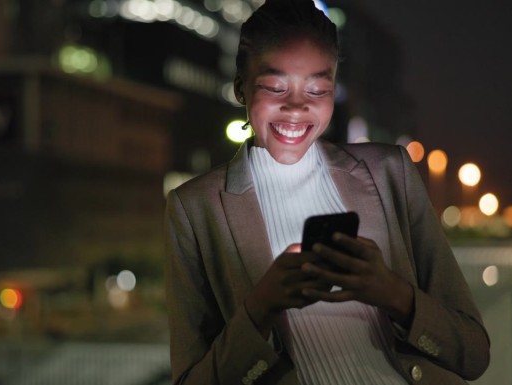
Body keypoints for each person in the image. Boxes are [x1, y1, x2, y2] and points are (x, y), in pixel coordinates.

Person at [164, 0, 490, 384]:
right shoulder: (195, 208)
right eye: (275, 86)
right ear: (240, 88)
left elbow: (473, 353)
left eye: (317, 89)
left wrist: (392, 292)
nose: (296, 107)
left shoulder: (391, 171)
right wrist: (261, 307)